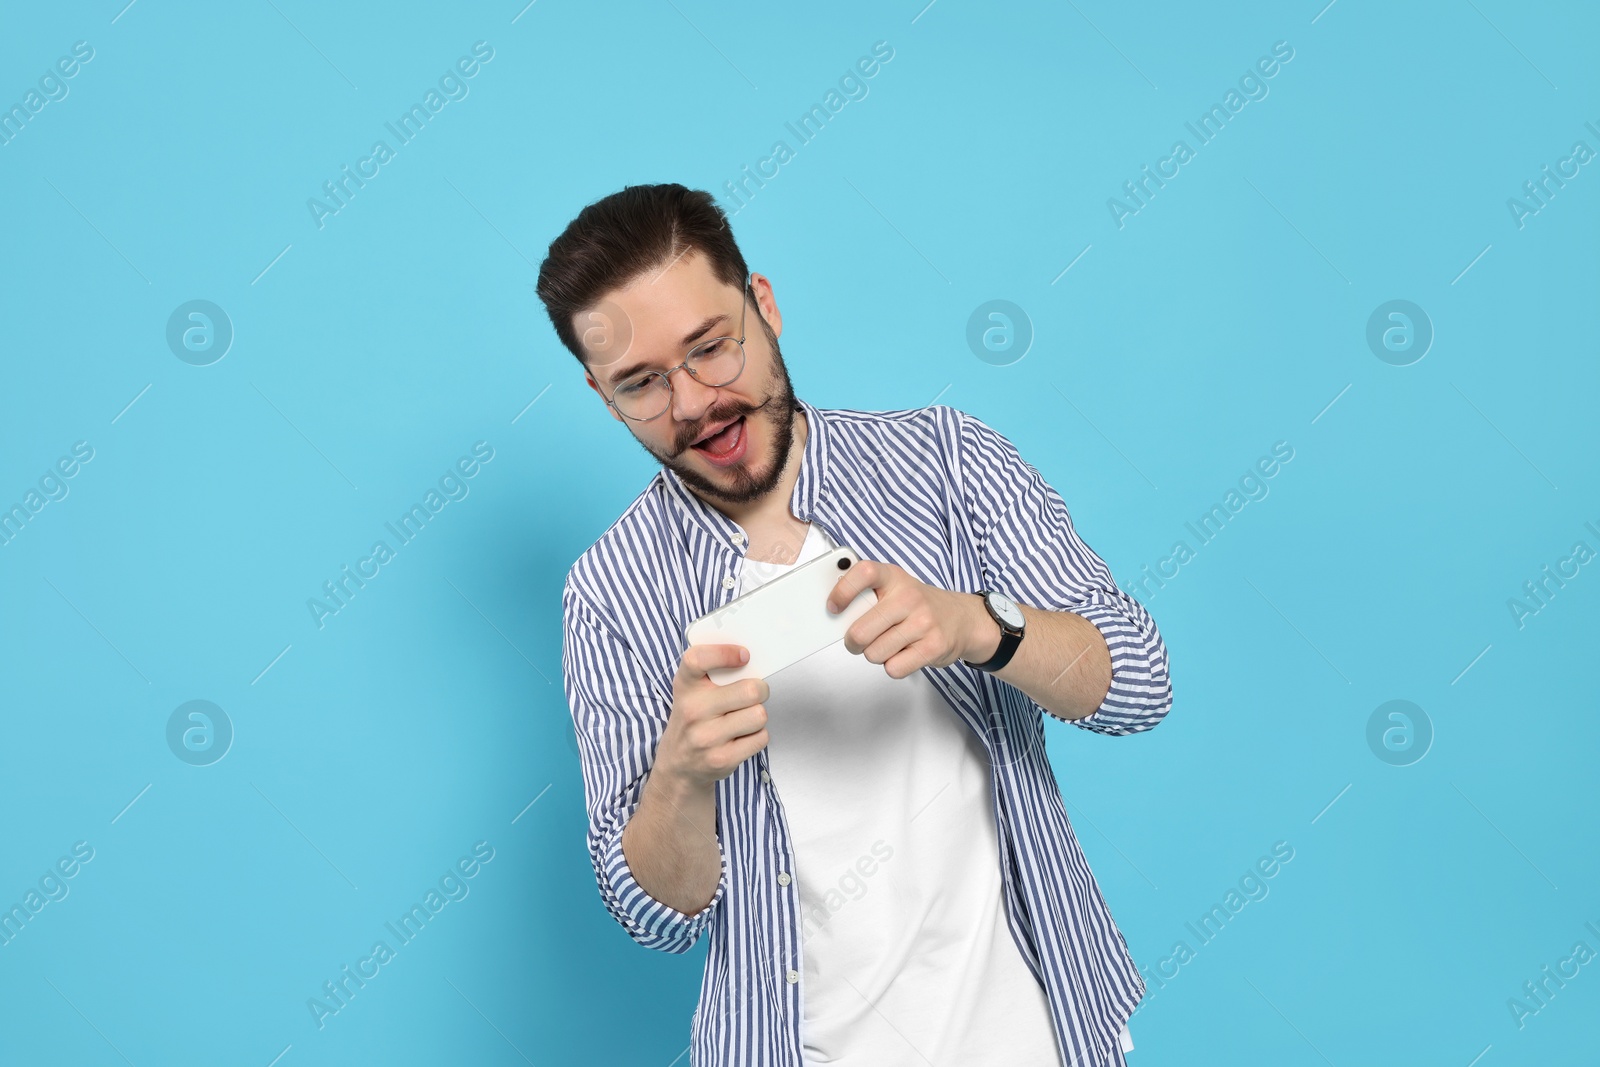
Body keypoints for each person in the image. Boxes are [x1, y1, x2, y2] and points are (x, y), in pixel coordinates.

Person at [539, 183, 1172, 1067]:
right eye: (642, 383)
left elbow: (1140, 682)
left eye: (712, 348)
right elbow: (654, 915)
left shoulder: (948, 461)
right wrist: (679, 776)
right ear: (603, 396)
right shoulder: (610, 591)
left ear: (765, 305)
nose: (693, 404)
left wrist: (979, 627)